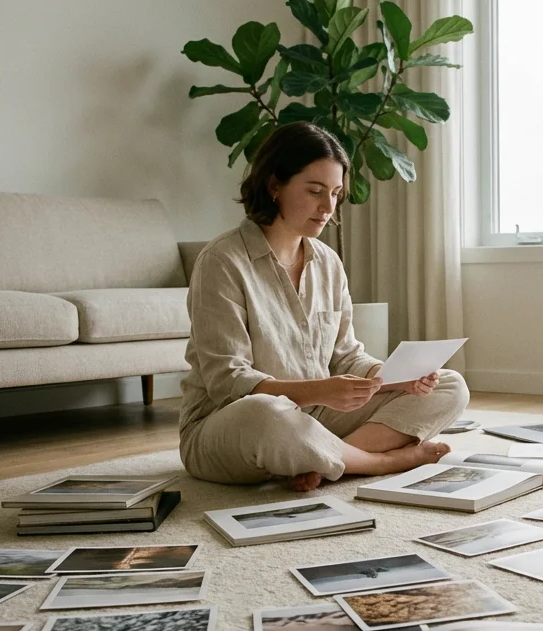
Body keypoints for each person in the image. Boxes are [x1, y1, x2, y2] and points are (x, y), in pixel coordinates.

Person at [178, 122, 468, 491]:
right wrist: (319, 391)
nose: (328, 207)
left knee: (450, 385)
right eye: (315, 191)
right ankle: (378, 462)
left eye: (335, 193)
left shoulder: (327, 262)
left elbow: (347, 357)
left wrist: (395, 377)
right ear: (274, 186)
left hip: (314, 420)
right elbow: (228, 382)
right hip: (231, 425)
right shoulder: (222, 261)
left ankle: (326, 459)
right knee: (268, 415)